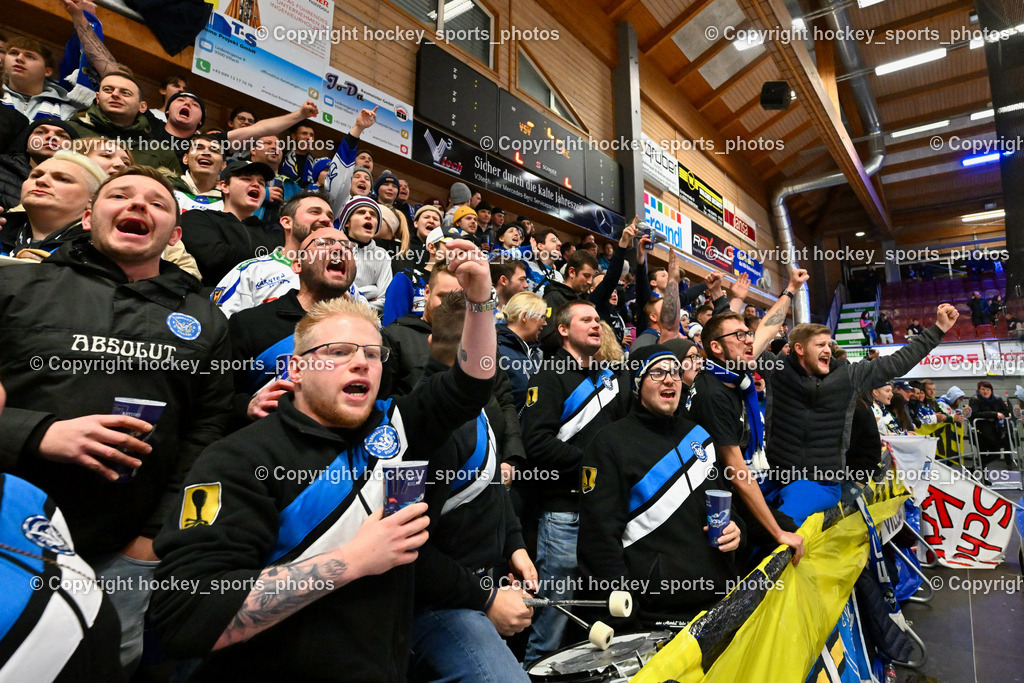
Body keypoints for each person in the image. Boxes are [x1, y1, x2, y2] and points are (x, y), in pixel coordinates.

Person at [150, 239, 497, 680]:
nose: (361, 363)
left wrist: (481, 299)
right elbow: (186, 615)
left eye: (372, 353)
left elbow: (471, 382)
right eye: (338, 351)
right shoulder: (237, 458)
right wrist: (352, 560)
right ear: (295, 369)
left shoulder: (398, 428)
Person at [0, 166, 232, 669]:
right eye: (120, 195)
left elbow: (206, 434)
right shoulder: (14, 283)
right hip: (6, 533)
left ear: (174, 234)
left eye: (157, 203)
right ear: (88, 218)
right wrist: (38, 434)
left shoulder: (207, 321)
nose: (138, 205)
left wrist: (154, 539)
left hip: (123, 554)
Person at [410, 291, 535, 682]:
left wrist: (514, 544)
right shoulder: (422, 427)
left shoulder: (479, 410)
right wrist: (487, 596)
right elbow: (408, 552)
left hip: (474, 590)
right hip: (435, 606)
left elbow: (491, 485)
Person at [579, 345, 742, 627]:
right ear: (637, 384)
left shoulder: (699, 435)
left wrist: (737, 532)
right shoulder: (609, 443)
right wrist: (625, 617)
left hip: (717, 604)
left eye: (675, 372)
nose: (669, 380)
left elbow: (728, 505)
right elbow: (599, 541)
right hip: (656, 615)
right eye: (657, 373)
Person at [758, 303, 959, 527]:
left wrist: (938, 329)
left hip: (822, 483)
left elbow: (898, 362)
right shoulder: (777, 370)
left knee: (780, 525)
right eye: (820, 345)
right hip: (778, 477)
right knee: (743, 516)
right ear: (799, 349)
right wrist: (737, 299)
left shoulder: (849, 375)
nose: (827, 350)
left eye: (829, 344)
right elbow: (746, 347)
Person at [521, 300, 631, 664]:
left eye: (598, 319)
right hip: (564, 515)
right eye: (586, 319)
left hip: (606, 518)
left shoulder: (609, 378)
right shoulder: (549, 375)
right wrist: (597, 467)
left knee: (602, 622)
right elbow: (537, 444)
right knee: (551, 627)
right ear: (564, 330)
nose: (597, 324)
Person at [686, 270, 809, 564]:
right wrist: (778, 533)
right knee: (779, 540)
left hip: (727, 490)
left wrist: (791, 289)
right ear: (716, 348)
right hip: (707, 501)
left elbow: (768, 326)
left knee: (793, 529)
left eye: (747, 334)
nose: (749, 341)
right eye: (739, 336)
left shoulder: (733, 377)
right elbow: (738, 474)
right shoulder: (713, 394)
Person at [228, 224, 358, 424]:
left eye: (347, 246)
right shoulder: (250, 323)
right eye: (324, 243)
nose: (339, 249)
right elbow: (216, 397)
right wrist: (246, 406)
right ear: (297, 265)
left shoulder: (366, 332)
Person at [211, 191, 340, 317]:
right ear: (287, 222)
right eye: (314, 212)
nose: (326, 220)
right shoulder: (250, 272)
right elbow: (218, 323)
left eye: (330, 217)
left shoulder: (342, 276)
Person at [179, 159, 282, 287]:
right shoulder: (196, 218)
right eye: (246, 179)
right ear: (224, 186)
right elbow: (217, 258)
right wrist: (270, 260)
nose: (256, 184)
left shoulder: (274, 232)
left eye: (261, 183)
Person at [0, 150, 104, 259]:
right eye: (36, 175)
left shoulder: (100, 248)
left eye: (62, 179)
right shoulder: (3, 226)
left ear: (93, 200)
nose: (41, 180)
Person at [497, 291, 546, 414]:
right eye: (542, 317)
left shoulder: (534, 352)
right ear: (524, 317)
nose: (545, 323)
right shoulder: (498, 350)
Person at [340, 195, 392, 310]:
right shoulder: (333, 247)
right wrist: (371, 292)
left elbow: (384, 300)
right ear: (347, 222)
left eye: (373, 214)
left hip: (364, 317)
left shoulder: (382, 256)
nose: (368, 216)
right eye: (361, 212)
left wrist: (355, 303)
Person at [170, 134, 226, 213]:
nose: (206, 153)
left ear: (223, 165)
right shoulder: (166, 187)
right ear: (186, 159)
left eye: (214, 150)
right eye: (198, 148)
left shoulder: (231, 199)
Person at [969, 380, 1011, 467]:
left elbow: (1007, 412)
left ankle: (976, 468)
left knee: (996, 454)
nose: (985, 392)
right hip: (980, 431)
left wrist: (996, 416)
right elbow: (974, 414)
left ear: (991, 390)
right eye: (983, 389)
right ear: (978, 390)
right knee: (982, 453)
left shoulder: (998, 399)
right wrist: (993, 414)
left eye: (988, 389)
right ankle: (979, 470)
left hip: (995, 431)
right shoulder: (974, 399)